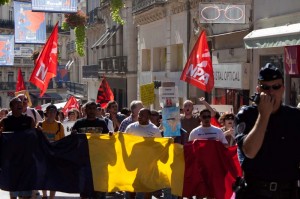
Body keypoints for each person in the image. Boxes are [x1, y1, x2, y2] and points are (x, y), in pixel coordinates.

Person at [235, 63, 300, 199]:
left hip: (287, 192)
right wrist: (264, 115)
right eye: (266, 88)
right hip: (255, 192)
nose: (271, 92)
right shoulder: (247, 115)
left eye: (275, 87)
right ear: (258, 90)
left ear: (283, 89)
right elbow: (250, 151)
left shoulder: (294, 117)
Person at [71, 101, 109, 199]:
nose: (91, 110)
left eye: (93, 108)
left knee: (99, 190)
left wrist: (111, 136)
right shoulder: (79, 123)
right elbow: (73, 141)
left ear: (97, 110)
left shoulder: (102, 123)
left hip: (98, 162)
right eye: (89, 108)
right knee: (84, 190)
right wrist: (73, 135)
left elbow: (107, 140)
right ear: (85, 110)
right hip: (84, 161)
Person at [0, 97, 35, 199]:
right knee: (13, 193)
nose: (20, 104)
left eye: (21, 103)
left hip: (26, 162)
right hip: (12, 162)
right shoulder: (4, 121)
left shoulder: (29, 120)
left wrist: (38, 131)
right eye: (17, 103)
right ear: (11, 107)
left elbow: (35, 137)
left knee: (27, 195)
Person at [37, 104, 65, 199]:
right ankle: (44, 195)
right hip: (43, 155)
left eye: (54, 111)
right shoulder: (40, 125)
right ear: (46, 113)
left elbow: (62, 141)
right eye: (50, 111)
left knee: (54, 177)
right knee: (43, 175)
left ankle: (51, 197)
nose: (52, 113)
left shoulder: (59, 125)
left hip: (54, 155)